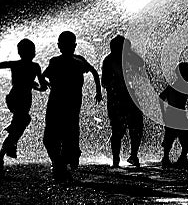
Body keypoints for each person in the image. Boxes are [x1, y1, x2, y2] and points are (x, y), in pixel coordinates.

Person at [42, 31, 102, 181]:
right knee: (67, 135)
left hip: (58, 104)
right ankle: (64, 161)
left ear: (58, 46)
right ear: (75, 46)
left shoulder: (58, 61)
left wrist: (44, 84)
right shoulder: (79, 61)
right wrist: (98, 91)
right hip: (70, 105)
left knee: (53, 137)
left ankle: (60, 163)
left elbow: (43, 76)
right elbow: (94, 72)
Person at [0, 39, 47, 175]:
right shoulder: (30, 66)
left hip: (22, 98)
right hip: (17, 98)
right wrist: (37, 86)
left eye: (31, 51)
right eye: (28, 51)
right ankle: (4, 152)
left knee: (21, 122)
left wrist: (39, 86)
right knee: (23, 120)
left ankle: (10, 145)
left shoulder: (25, 65)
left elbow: (41, 85)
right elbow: (40, 86)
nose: (30, 53)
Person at [101, 35, 145, 168]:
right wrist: (116, 84)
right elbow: (104, 83)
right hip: (116, 100)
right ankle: (116, 159)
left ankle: (133, 155)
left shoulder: (127, 58)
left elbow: (141, 63)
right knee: (117, 130)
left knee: (136, 127)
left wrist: (129, 52)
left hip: (129, 98)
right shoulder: (108, 61)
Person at [159, 62, 188, 168]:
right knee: (187, 139)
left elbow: (161, 97)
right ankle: (180, 158)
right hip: (178, 115)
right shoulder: (181, 86)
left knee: (170, 137)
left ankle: (167, 158)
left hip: (171, 114)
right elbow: (161, 97)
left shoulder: (175, 85)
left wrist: (164, 113)